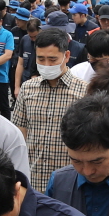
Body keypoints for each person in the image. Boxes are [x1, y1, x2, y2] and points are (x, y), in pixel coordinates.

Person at [12, 28, 83, 191]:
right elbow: (19, 134)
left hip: (67, 184)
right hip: (32, 180)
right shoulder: (27, 89)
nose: (46, 65)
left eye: (52, 59)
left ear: (66, 56)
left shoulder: (83, 92)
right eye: (41, 59)